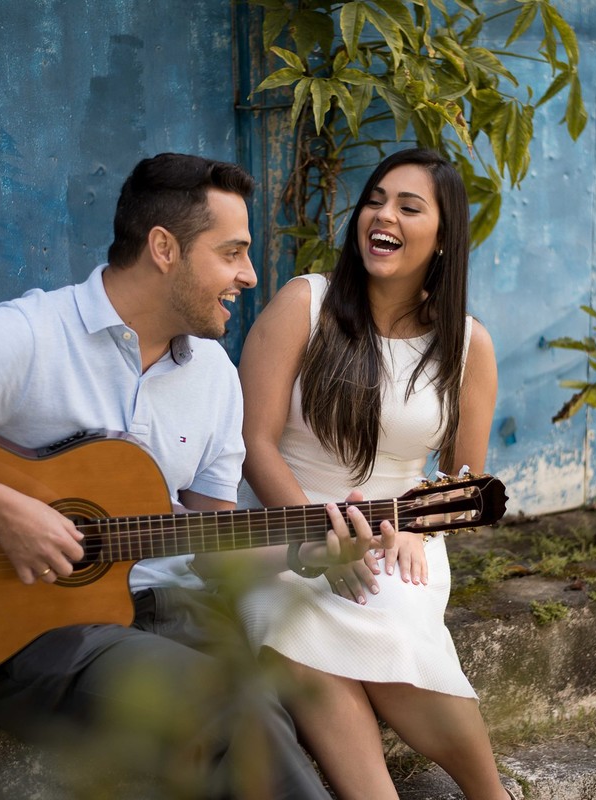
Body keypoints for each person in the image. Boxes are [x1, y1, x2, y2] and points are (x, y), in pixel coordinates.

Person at [0, 152, 391, 799]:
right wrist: (5, 509)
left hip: (171, 616)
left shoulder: (215, 378)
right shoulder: (29, 337)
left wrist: (308, 549)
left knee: (293, 691)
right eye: (232, 253)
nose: (250, 276)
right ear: (165, 248)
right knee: (241, 717)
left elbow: (212, 534)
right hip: (49, 635)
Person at [236, 148, 508, 799]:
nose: (382, 215)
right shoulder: (306, 302)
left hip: (399, 536)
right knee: (296, 620)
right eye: (376, 199)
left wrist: (421, 525)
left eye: (408, 207)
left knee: (390, 610)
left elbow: (464, 479)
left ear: (444, 240)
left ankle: (489, 793)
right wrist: (313, 534)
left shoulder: (467, 343)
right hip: (283, 524)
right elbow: (253, 441)